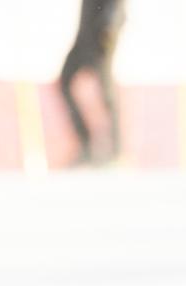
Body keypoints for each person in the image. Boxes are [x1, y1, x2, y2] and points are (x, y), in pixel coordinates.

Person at [60, 0, 127, 165]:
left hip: (102, 37)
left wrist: (109, 26)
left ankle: (116, 151)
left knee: (107, 94)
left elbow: (117, 7)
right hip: (83, 39)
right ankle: (86, 144)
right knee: (65, 81)